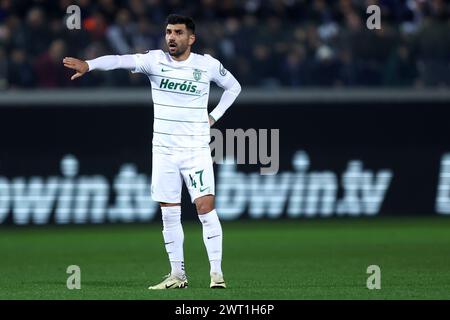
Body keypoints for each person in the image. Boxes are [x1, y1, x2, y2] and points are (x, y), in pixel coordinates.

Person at [62, 14, 241, 289]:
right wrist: (90, 64)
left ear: (191, 38)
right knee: (169, 212)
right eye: (169, 31)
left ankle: (216, 274)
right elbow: (120, 60)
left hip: (195, 149)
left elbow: (233, 87)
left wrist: (213, 117)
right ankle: (177, 275)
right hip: (164, 151)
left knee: (205, 208)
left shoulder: (206, 65)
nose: (171, 37)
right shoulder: (154, 60)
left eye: (178, 32)